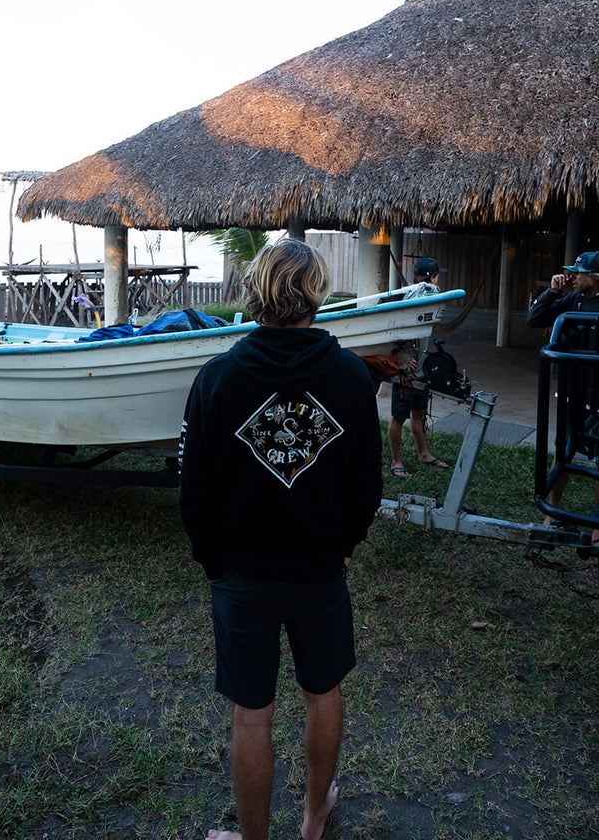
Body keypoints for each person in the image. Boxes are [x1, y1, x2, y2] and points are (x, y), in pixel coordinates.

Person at [179, 239, 383, 840]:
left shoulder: (218, 378)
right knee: (324, 692)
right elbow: (367, 481)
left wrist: (213, 560)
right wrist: (346, 542)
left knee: (252, 713)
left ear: (255, 292)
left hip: (243, 572)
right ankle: (314, 817)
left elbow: (193, 487)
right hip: (320, 567)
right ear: (317, 294)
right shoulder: (351, 376)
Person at [526, 251, 599, 545]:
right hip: (572, 396)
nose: (573, 277)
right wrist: (552, 293)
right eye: (573, 272)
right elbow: (535, 318)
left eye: (579, 273)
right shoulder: (574, 300)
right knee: (561, 454)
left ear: (597, 278)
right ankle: (553, 513)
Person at [387, 257, 450, 478]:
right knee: (398, 417)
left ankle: (424, 454)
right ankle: (396, 461)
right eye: (437, 275)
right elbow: (391, 330)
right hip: (405, 374)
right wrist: (401, 357)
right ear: (433, 277)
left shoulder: (425, 298)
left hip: (420, 372)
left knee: (419, 414)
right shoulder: (410, 298)